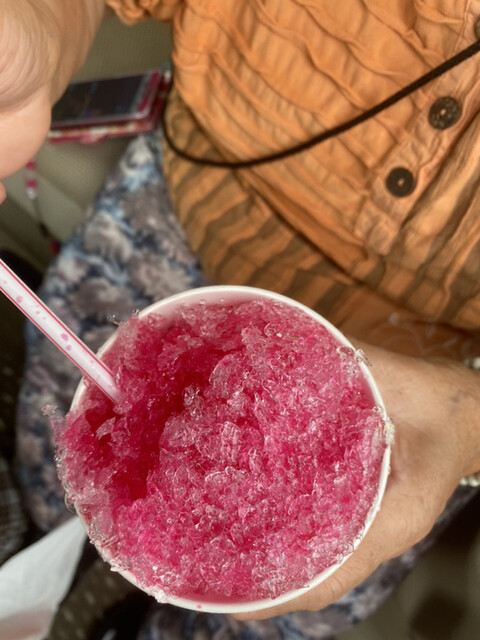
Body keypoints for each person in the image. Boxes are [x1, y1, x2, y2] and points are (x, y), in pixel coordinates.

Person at [1, 1, 480, 637]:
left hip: (436, 365)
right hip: (199, 199)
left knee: (269, 622)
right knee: (52, 477)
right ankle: (52, 575)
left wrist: (471, 416)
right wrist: (38, 23)